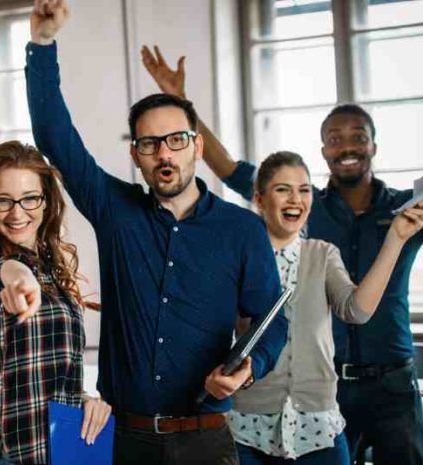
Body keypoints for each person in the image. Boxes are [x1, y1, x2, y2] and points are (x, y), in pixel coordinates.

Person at [26, 2, 288, 463]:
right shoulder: (115, 211)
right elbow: (56, 139)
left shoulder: (242, 229)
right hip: (124, 438)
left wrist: (247, 369)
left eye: (176, 141)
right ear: (137, 155)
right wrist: (43, 44)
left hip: (205, 438)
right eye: (149, 144)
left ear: (197, 146)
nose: (164, 154)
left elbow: (272, 320)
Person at [142, 45, 423, 465]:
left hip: (389, 382)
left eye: (358, 137)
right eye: (334, 139)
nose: (347, 146)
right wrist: (183, 106)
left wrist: (398, 236)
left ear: (374, 146)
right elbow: (230, 168)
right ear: (323, 150)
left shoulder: (404, 210)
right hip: (304, 395)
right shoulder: (289, 221)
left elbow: (356, 308)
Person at [226, 151, 423, 464]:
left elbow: (355, 311)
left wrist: (396, 239)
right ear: (260, 199)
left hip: (317, 425)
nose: (296, 199)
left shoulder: (323, 254)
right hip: (249, 427)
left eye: (304, 189)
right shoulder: (236, 255)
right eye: (282, 189)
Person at [0, 141, 112, 465]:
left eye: (30, 198)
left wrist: (84, 401)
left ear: (47, 202)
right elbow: (3, 272)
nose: (17, 213)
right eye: (3, 200)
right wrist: (19, 279)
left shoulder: (53, 272)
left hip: (68, 450)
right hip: (15, 455)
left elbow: (49, 373)